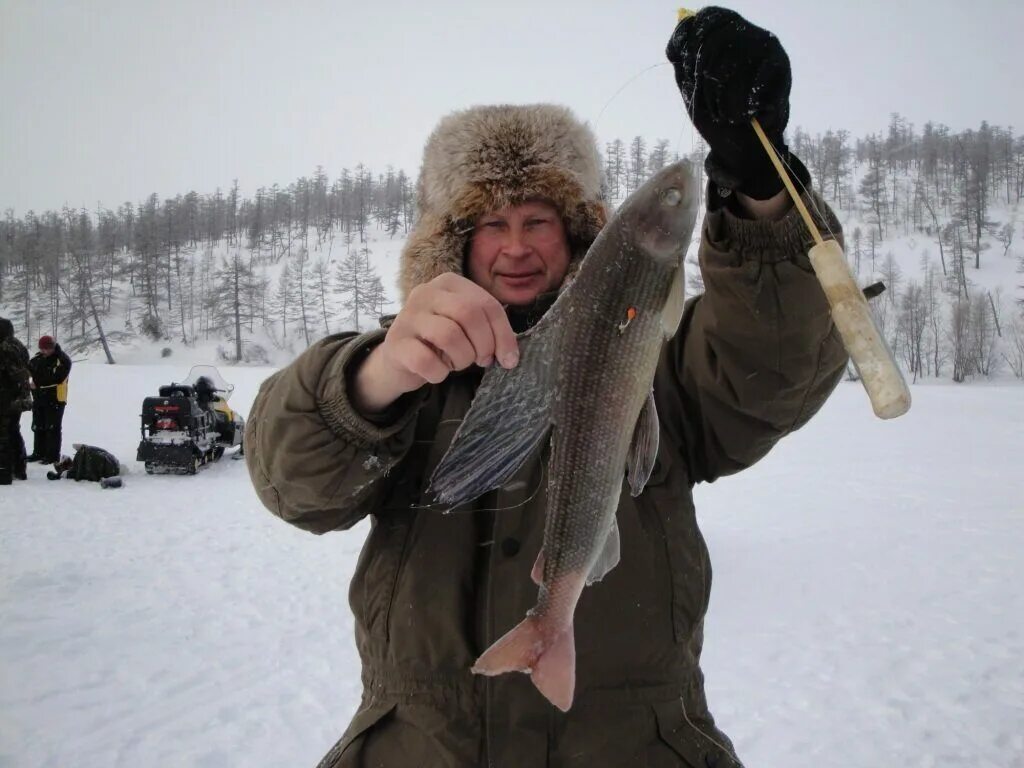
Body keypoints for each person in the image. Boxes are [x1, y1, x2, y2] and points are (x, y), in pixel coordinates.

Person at [246, 8, 848, 766]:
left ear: (582, 233)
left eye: (539, 219)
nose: (518, 245)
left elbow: (774, 367)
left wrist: (759, 189)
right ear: (455, 242)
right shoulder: (406, 377)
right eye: (492, 223)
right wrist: (371, 379)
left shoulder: (658, 360)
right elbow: (292, 484)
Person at [27, 334, 72, 464]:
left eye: (47, 349)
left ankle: (52, 456)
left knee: (53, 428)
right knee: (38, 425)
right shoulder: (37, 358)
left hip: (56, 398)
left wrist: (38, 383)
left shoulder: (63, 360)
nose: (44, 351)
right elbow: (28, 370)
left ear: (53, 347)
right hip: (39, 398)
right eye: (42, 349)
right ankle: (38, 452)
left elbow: (57, 378)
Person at [0, 317, 33, 485]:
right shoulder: (18, 345)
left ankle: (4, 472)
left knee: (4, 434)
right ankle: (19, 469)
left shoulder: (4, 347)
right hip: (20, 397)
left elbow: (14, 374)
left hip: (7, 398)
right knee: (13, 430)